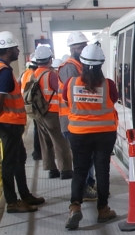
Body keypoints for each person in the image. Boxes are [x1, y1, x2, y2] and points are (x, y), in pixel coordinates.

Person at [0, 32, 45, 214]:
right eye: (16, 48)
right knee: (10, 162)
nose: (19, 51)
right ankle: (12, 202)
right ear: (9, 50)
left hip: (8, 123)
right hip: (8, 123)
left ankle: (25, 195)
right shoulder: (4, 72)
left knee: (19, 158)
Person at [64, 44, 120, 230]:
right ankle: (103, 210)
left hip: (79, 134)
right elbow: (115, 98)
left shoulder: (71, 83)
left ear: (82, 62)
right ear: (101, 64)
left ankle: (74, 207)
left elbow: (66, 100)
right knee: (102, 170)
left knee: (79, 169)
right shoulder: (108, 84)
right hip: (105, 134)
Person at [58, 32, 97, 199]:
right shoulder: (69, 67)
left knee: (88, 156)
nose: (82, 50)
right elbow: (76, 93)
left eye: (84, 47)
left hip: (81, 120)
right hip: (71, 120)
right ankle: (85, 188)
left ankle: (90, 184)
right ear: (72, 48)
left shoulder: (80, 65)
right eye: (80, 47)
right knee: (82, 158)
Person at [30, 44, 73, 179]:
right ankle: (65, 170)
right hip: (53, 112)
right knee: (60, 141)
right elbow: (62, 90)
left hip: (39, 113)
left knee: (46, 142)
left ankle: (51, 169)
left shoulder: (34, 74)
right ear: (50, 59)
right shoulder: (51, 75)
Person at [22, 59, 43, 161]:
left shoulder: (24, 74)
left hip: (28, 105)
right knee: (38, 129)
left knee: (36, 128)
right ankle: (38, 152)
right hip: (34, 105)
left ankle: (37, 152)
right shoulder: (33, 75)